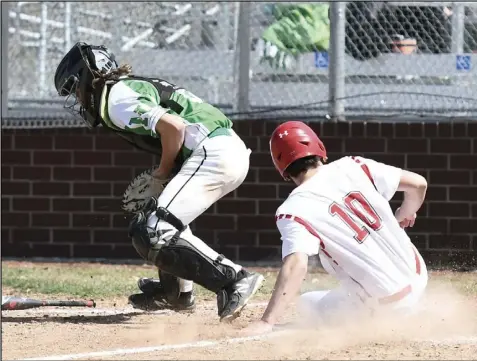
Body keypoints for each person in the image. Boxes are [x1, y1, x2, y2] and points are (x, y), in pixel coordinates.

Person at [53, 42, 264, 322]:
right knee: (161, 221)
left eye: (75, 87)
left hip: (215, 152)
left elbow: (173, 128)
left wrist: (162, 174)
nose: (77, 98)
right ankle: (177, 292)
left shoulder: (115, 98)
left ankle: (234, 279)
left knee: (152, 229)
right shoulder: (123, 89)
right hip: (221, 150)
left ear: (89, 74)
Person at [241, 121, 428, 335]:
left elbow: (296, 265)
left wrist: (267, 322)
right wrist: (405, 212)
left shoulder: (292, 208)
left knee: (308, 303)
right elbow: (419, 184)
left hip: (389, 304)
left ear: (282, 168)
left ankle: (389, 317)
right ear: (319, 149)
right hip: (419, 275)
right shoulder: (353, 165)